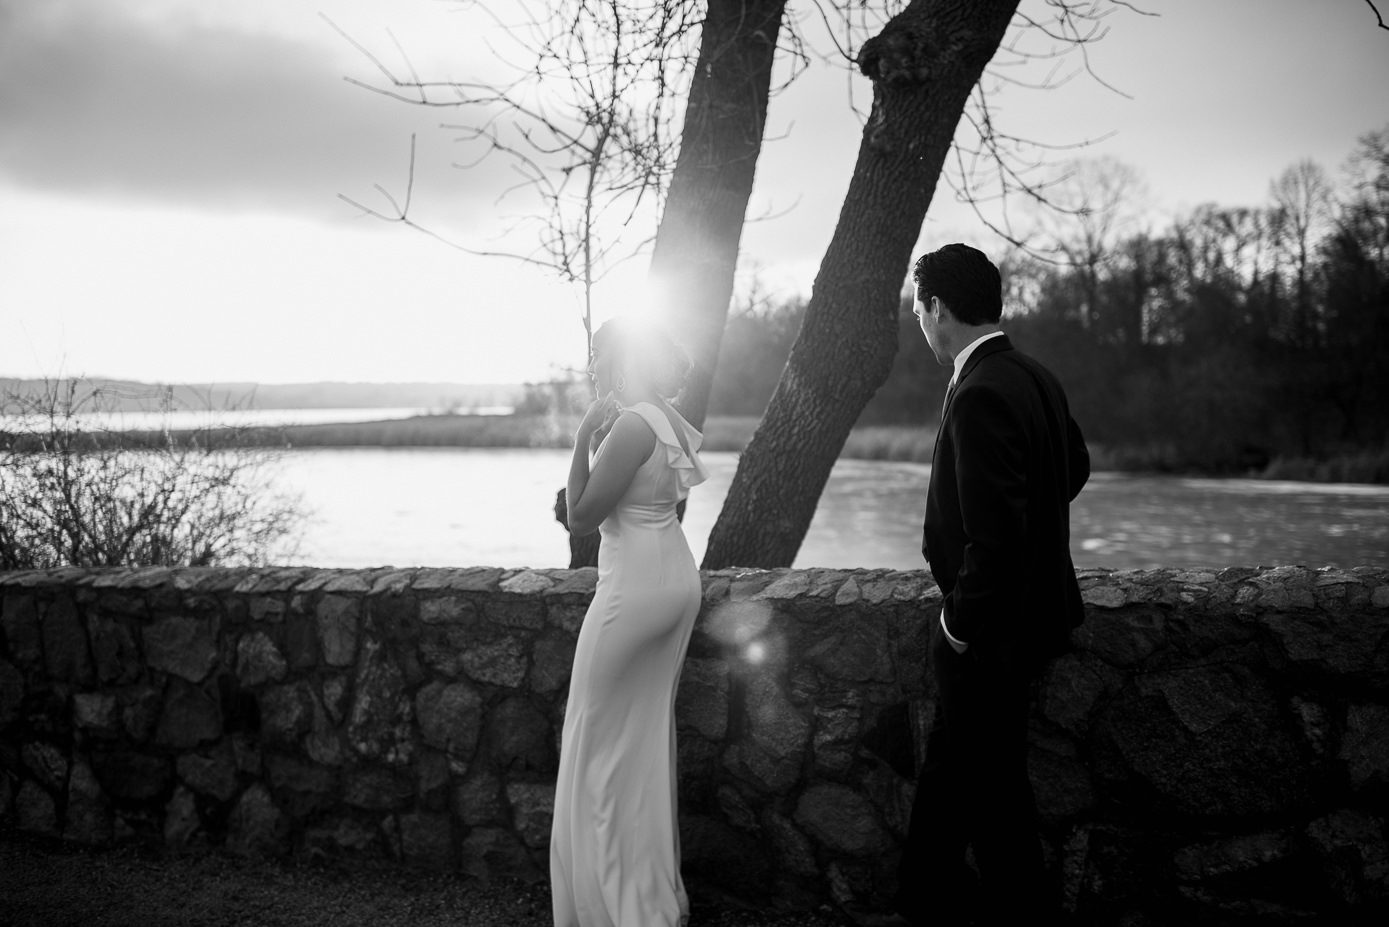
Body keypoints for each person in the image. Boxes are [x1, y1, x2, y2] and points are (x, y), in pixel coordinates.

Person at [894, 244, 1090, 926]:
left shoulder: (978, 391)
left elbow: (996, 542)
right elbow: (1073, 467)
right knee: (954, 786)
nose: (919, 322)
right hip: (1024, 622)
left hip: (988, 636)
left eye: (919, 309)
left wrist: (955, 628)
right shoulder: (1034, 376)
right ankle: (923, 897)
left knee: (997, 805)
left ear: (938, 308)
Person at [550, 315, 709, 927]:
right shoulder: (667, 422)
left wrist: (582, 436)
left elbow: (585, 519)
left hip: (632, 595)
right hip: (675, 582)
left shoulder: (631, 424)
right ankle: (647, 896)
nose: (592, 368)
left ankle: (607, 904)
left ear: (624, 360)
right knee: (640, 744)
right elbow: (671, 504)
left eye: (598, 357)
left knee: (592, 742)